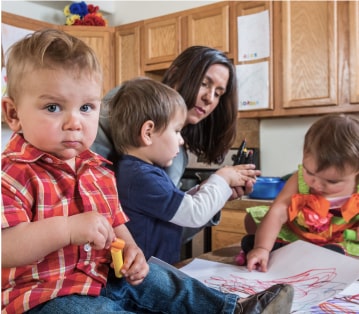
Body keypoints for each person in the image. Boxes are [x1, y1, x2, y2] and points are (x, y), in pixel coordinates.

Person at [1, 28, 294, 314]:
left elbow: (116, 221)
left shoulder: (98, 169)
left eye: (87, 107)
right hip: (46, 295)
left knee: (162, 280)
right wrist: (67, 229)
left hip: (103, 275)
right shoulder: (13, 172)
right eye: (53, 107)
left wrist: (132, 250)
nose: (74, 123)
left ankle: (232, 309)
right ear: (13, 114)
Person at [92, 46, 257, 243]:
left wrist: (212, 196)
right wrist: (216, 185)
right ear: (176, 74)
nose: (209, 98)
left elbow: (169, 226)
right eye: (204, 83)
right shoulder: (131, 103)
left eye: (218, 93)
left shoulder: (177, 156)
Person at [107, 77, 260, 265]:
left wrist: (205, 190)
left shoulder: (137, 171)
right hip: (147, 278)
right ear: (148, 133)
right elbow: (193, 213)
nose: (181, 140)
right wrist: (222, 178)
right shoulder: (141, 177)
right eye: (177, 131)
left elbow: (175, 205)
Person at [240, 114, 359, 273]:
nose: (316, 184)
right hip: (301, 236)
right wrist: (262, 247)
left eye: (332, 182)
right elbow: (278, 211)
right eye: (310, 172)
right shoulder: (300, 177)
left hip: (341, 239)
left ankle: (331, 256)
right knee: (253, 220)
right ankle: (274, 250)